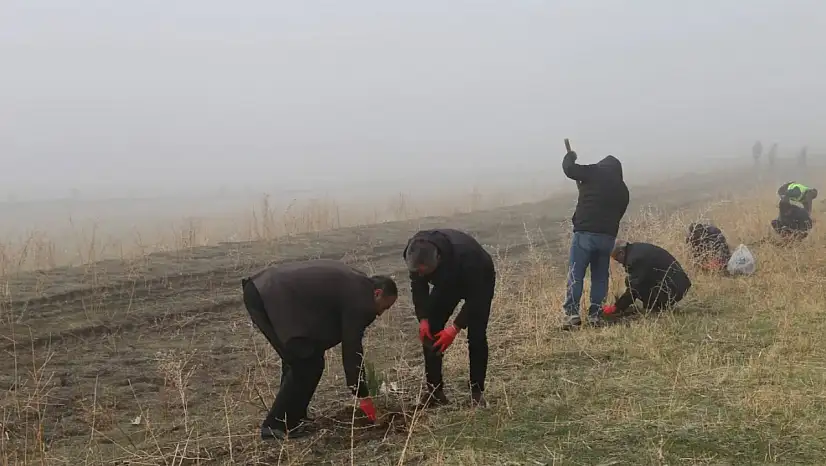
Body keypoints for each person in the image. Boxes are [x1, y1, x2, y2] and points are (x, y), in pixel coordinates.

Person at [241, 259, 398, 440]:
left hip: (265, 289)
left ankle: (292, 417)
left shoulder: (357, 285)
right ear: (377, 294)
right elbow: (352, 348)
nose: (380, 314)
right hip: (267, 294)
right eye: (384, 307)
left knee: (301, 357)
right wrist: (362, 394)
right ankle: (274, 426)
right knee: (307, 362)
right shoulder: (361, 299)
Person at [403, 228, 496, 408]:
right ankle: (435, 392)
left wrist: (454, 328)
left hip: (480, 280)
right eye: (418, 271)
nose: (421, 274)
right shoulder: (414, 252)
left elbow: (477, 299)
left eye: (425, 271)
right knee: (431, 328)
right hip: (446, 283)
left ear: (438, 258)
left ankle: (476, 394)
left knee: (476, 336)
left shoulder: (469, 256)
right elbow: (418, 286)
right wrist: (423, 319)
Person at [560, 150, 630, 329]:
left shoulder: (593, 172)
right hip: (606, 237)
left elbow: (569, 169)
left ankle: (572, 314)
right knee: (600, 277)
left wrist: (571, 156)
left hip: (584, 233)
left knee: (576, 273)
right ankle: (595, 315)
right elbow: (619, 214)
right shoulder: (623, 190)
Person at [603, 240, 692, 317]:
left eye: (617, 259)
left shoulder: (635, 260)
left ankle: (657, 307)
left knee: (632, 282)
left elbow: (634, 289)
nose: (619, 263)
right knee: (635, 281)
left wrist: (617, 308)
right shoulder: (636, 249)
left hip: (673, 289)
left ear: (621, 253)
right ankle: (655, 305)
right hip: (678, 284)